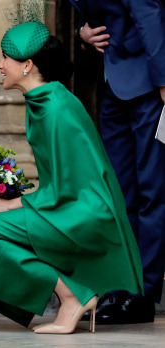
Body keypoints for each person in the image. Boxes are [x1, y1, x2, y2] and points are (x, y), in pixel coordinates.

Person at [0, 21, 144, 334]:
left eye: (5, 58)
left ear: (27, 65)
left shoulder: (55, 109)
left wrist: (11, 204)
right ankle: (72, 294)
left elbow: (70, 188)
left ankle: (71, 297)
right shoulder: (45, 101)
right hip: (70, 207)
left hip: (83, 214)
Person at [68, 0, 165, 324]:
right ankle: (120, 287)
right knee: (119, 195)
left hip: (151, 84)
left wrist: (164, 80)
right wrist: (81, 31)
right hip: (113, 84)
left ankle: (143, 295)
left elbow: (148, 14)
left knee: (153, 192)